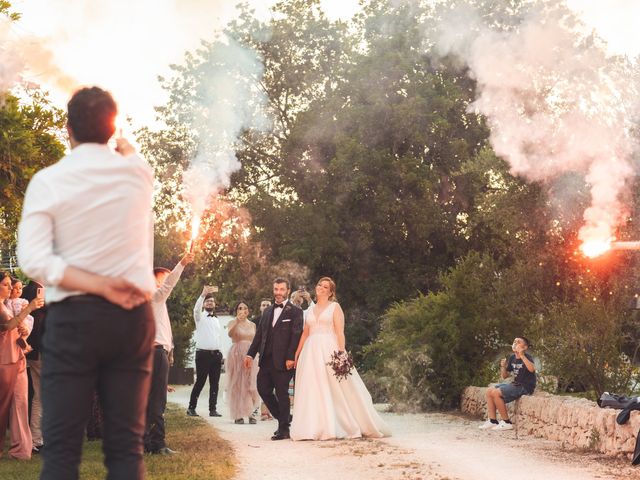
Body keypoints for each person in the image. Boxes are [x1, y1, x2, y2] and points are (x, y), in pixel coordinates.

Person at [17, 86, 155, 480]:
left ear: (66, 129)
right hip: (133, 317)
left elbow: (33, 259)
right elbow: (134, 156)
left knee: (61, 451)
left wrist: (97, 285)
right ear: (111, 129)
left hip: (74, 319)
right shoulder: (138, 175)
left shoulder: (49, 181)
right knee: (127, 449)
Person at [290, 277, 390, 441]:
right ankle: (313, 425)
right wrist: (297, 352)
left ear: (330, 292)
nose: (321, 288)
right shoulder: (310, 310)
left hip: (329, 348)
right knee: (312, 386)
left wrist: (341, 353)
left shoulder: (335, 307)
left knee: (335, 387)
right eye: (319, 285)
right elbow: (306, 333)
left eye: (325, 286)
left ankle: (339, 423)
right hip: (311, 351)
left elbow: (339, 332)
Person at [145, 253, 194, 454]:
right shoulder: (153, 296)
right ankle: (158, 444)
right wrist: (182, 263)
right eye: (164, 277)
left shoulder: (156, 303)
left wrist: (170, 352)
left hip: (155, 354)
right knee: (157, 402)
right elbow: (169, 285)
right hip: (154, 353)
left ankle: (146, 443)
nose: (167, 281)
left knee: (151, 399)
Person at [244, 278, 304, 440]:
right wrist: (250, 353)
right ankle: (284, 419)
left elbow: (296, 335)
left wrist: (291, 357)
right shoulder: (267, 311)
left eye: (281, 289)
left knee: (282, 393)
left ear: (288, 291)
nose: (278, 292)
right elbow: (259, 336)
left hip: (284, 360)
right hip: (266, 359)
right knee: (263, 388)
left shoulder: (296, 312)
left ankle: (283, 430)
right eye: (276, 289)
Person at [0, 272, 43, 460]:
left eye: (10, 285)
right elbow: (7, 326)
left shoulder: (6, 305)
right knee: (4, 406)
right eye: (5, 285)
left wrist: (23, 334)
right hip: (4, 360)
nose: (10, 288)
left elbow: (13, 330)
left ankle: (21, 450)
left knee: (21, 402)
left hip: (18, 357)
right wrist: (30, 308)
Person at [479, 337, 536, 431]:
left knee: (496, 393)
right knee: (489, 391)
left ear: (525, 347)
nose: (515, 343)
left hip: (525, 386)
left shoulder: (527, 357)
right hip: (516, 384)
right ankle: (492, 420)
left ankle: (506, 422)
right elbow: (505, 376)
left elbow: (532, 369)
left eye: (518, 342)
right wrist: (503, 366)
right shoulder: (512, 358)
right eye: (514, 342)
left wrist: (522, 356)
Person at [187, 288, 225, 417]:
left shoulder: (216, 319)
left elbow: (218, 337)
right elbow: (196, 309)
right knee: (201, 381)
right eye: (207, 301)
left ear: (215, 304)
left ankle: (212, 409)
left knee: (215, 383)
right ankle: (191, 408)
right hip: (203, 354)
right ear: (204, 303)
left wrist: (222, 353)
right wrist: (202, 295)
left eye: (212, 301)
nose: (210, 303)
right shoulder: (199, 317)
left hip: (216, 355)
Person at [22, 281, 46, 453]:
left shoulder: (28, 289)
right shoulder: (36, 291)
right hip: (41, 350)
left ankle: (37, 438)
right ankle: (36, 439)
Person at [226, 301, 260, 424]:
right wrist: (236, 321)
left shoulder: (252, 325)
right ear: (236, 310)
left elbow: (255, 340)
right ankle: (238, 414)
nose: (242, 310)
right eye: (240, 308)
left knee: (250, 383)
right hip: (236, 354)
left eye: (245, 308)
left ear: (248, 311)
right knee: (237, 383)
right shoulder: (232, 322)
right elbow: (230, 334)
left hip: (251, 354)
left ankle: (251, 413)